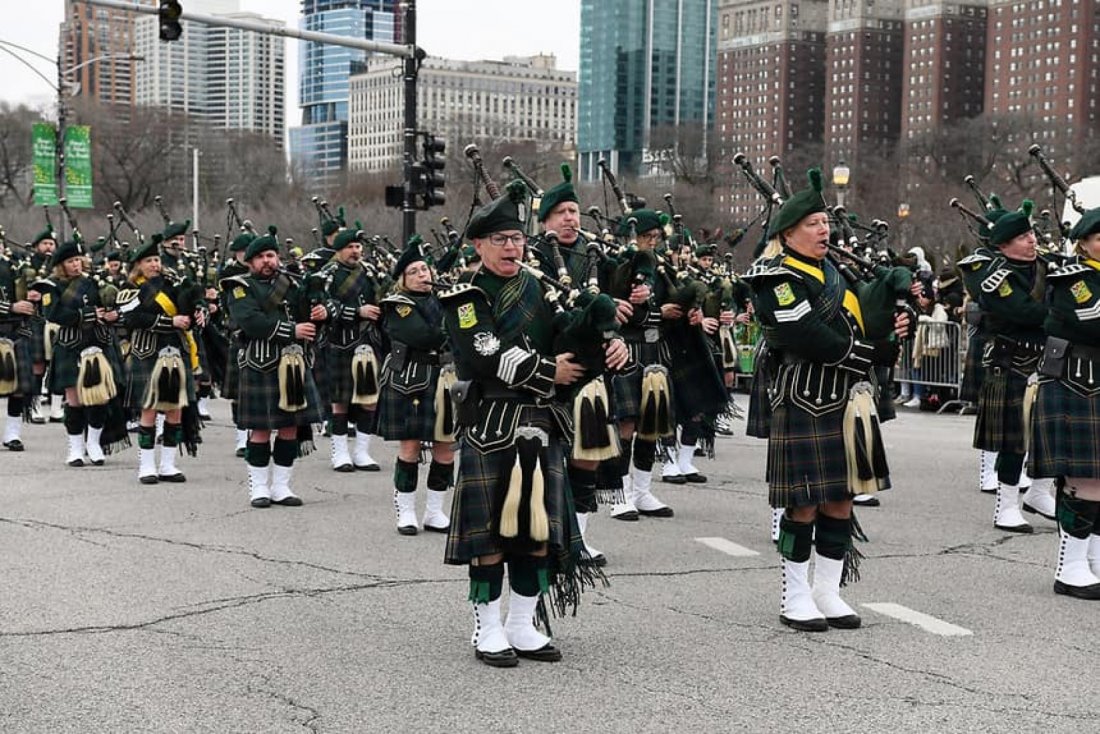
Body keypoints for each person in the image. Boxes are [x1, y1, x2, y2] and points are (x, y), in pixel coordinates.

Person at [439, 184, 627, 666]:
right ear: (478, 245)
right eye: (499, 240)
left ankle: (522, 624)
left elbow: (570, 341)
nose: (511, 248)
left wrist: (603, 344)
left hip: (543, 423)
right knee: (491, 537)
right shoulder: (466, 296)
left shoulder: (542, 288)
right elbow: (482, 355)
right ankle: (488, 627)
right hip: (493, 424)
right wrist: (549, 371)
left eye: (516, 239)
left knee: (535, 532)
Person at [745, 169, 909, 631]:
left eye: (825, 222)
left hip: (846, 399)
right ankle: (795, 595)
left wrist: (891, 322)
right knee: (804, 504)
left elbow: (861, 322)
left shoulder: (834, 272)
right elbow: (803, 331)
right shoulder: (774, 275)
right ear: (788, 233)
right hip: (804, 397)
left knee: (841, 499)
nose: (824, 231)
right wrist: (866, 353)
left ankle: (827, 591)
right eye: (814, 224)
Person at [224, 228, 326, 508]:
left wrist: (321, 312)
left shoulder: (295, 285)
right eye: (260, 257)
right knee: (259, 430)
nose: (267, 261)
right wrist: (293, 329)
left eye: (271, 255)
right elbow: (251, 322)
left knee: (289, 428)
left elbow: (310, 321)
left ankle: (281, 486)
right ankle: (259, 488)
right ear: (250, 262)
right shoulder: (239, 286)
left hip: (293, 364)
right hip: (259, 364)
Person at [972, 202, 1056, 532]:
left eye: (1032, 233)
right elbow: (1027, 313)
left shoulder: (1050, 267)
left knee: (1050, 433)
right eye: (1023, 237)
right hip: (1012, 363)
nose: (1032, 240)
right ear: (1004, 245)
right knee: (1013, 440)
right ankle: (1006, 506)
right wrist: (1066, 318)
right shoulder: (997, 279)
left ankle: (1039, 493)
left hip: (1049, 360)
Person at [1029, 207, 1100, 598]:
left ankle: (1094, 560)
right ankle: (1070, 566)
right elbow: (1093, 319)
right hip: (1079, 383)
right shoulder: (1075, 278)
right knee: (1084, 480)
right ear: (1084, 243)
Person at [377, 236, 454, 535]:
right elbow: (424, 336)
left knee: (445, 447)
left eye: (425, 269)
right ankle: (406, 511)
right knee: (410, 446)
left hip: (444, 378)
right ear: (403, 279)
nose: (423, 275)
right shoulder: (397, 304)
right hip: (411, 378)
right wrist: (454, 325)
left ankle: (435, 512)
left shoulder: (443, 298)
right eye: (415, 271)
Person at [117, 235, 201, 483]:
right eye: (148, 260)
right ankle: (146, 465)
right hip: (147, 351)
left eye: (156, 259)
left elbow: (187, 306)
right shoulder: (130, 289)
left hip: (176, 350)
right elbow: (132, 319)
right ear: (138, 265)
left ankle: (168, 464)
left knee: (174, 409)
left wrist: (199, 307)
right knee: (149, 409)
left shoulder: (173, 283)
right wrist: (169, 322)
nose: (154, 264)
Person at [42, 239, 128, 467]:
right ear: (61, 265)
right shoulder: (51, 286)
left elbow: (114, 307)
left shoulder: (95, 282)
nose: (76, 265)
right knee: (75, 400)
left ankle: (94, 443)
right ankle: (75, 448)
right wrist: (89, 314)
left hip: (98, 343)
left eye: (78, 260)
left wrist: (114, 315)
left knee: (98, 397)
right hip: (71, 345)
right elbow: (53, 314)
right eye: (70, 261)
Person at [322, 228, 383, 473]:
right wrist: (357, 312)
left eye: (358, 247)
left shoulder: (369, 272)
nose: (356, 251)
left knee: (369, 399)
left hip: (368, 341)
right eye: (350, 247)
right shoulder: (329, 274)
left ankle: (361, 451)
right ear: (339, 250)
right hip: (340, 341)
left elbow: (384, 295)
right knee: (340, 401)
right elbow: (324, 304)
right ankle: (340, 452)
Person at [0, 246, 37, 450]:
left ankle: (12, 433)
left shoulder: (16, 267)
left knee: (19, 388)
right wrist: (9, 308)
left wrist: (34, 298)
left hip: (16, 331)